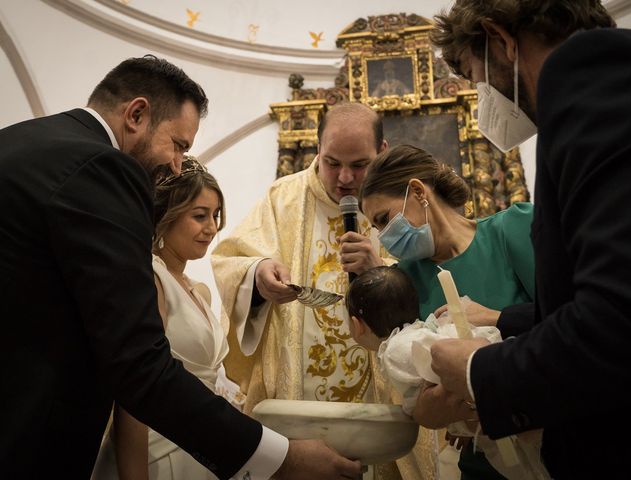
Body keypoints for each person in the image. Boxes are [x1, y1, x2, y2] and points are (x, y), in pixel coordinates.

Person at [0, 55, 361, 480]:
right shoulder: (103, 167)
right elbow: (138, 365)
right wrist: (280, 459)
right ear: (136, 114)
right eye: (179, 145)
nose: (177, 165)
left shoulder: (18, 142)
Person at [420, 2, 631, 479]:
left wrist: (482, 372)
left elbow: (621, 319)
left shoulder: (600, 87)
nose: (483, 99)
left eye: (476, 77)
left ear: (500, 38)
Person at [212, 103, 438, 479]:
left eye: (359, 164)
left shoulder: (404, 207)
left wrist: (382, 273)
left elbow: (438, 293)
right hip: (298, 416)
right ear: (317, 148)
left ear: (382, 150)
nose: (345, 178)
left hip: (381, 413)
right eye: (332, 162)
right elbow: (230, 260)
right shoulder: (281, 198)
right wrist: (258, 274)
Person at [359, 144, 536, 479]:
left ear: (417, 191)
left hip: (559, 441)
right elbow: (418, 395)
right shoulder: (404, 282)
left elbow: (574, 320)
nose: (383, 237)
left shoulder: (512, 230)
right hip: (483, 463)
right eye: (377, 228)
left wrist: (496, 319)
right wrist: (430, 410)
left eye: (384, 219)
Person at [92, 157, 239, 479]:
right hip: (159, 454)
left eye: (215, 216)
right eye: (199, 216)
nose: (212, 227)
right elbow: (134, 393)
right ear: (166, 216)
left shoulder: (197, 291)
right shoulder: (151, 279)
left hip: (200, 448)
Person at [345, 266, 550, 480]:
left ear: (356, 325)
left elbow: (447, 372)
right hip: (498, 402)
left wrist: (420, 409)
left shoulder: (396, 349)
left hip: (500, 408)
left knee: (529, 466)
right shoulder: (415, 333)